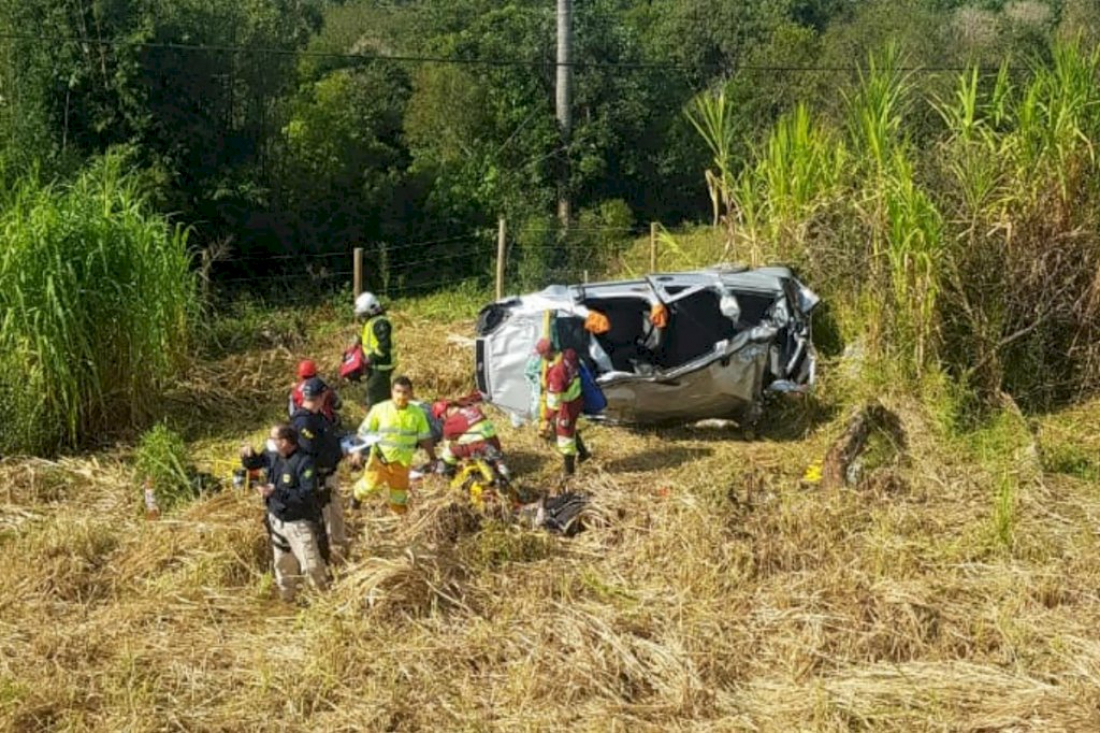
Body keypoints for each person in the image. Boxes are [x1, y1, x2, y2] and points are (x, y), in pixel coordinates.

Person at [241, 424, 330, 603]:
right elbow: (257, 462)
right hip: (277, 520)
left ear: (284, 442)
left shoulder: (304, 462)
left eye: (273, 438)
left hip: (298, 523)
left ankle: (321, 600)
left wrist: (276, 492)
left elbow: (306, 495)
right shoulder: (273, 455)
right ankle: (287, 599)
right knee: (282, 564)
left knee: (311, 565)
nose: (270, 442)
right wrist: (248, 456)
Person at [350, 375, 436, 514]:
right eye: (398, 391)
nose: (401, 396)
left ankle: (400, 515)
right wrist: (357, 451)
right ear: (392, 391)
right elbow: (363, 432)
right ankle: (355, 499)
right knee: (368, 486)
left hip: (402, 463)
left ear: (411, 393)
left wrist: (432, 456)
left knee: (399, 495)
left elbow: (425, 438)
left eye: (405, 392)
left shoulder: (417, 413)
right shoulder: (379, 409)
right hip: (380, 461)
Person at [290, 377, 348, 563]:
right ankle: (328, 557)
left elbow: (329, 438)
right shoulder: (303, 422)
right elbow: (311, 452)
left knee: (336, 514)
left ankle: (340, 549)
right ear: (322, 395)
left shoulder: (318, 417)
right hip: (319, 478)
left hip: (330, 473)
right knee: (325, 519)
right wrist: (338, 453)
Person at [536, 338, 592, 478]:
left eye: (542, 355)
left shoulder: (556, 373)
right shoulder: (569, 354)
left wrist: (547, 419)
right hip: (577, 398)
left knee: (565, 436)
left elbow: (554, 402)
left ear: (548, 353)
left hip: (566, 405)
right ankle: (584, 454)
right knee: (571, 427)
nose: (542, 358)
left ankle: (569, 472)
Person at [431, 398, 505, 475]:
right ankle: (495, 462)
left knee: (448, 453)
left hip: (479, 447)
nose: (441, 419)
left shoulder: (449, 424)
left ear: (443, 413)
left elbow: (449, 443)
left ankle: (452, 472)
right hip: (495, 443)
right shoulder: (473, 409)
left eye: (440, 417)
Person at [354, 292, 396, 410]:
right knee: (377, 393)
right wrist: (359, 341)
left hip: (381, 366)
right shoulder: (372, 321)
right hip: (375, 365)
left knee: (377, 398)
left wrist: (370, 358)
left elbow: (384, 346)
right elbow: (371, 338)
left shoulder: (380, 323)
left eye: (364, 314)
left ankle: (376, 421)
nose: (362, 317)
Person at [288, 359, 342, 423]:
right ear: (315, 371)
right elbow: (337, 404)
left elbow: (292, 414)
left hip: (306, 422)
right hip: (325, 422)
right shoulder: (321, 384)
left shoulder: (295, 391)